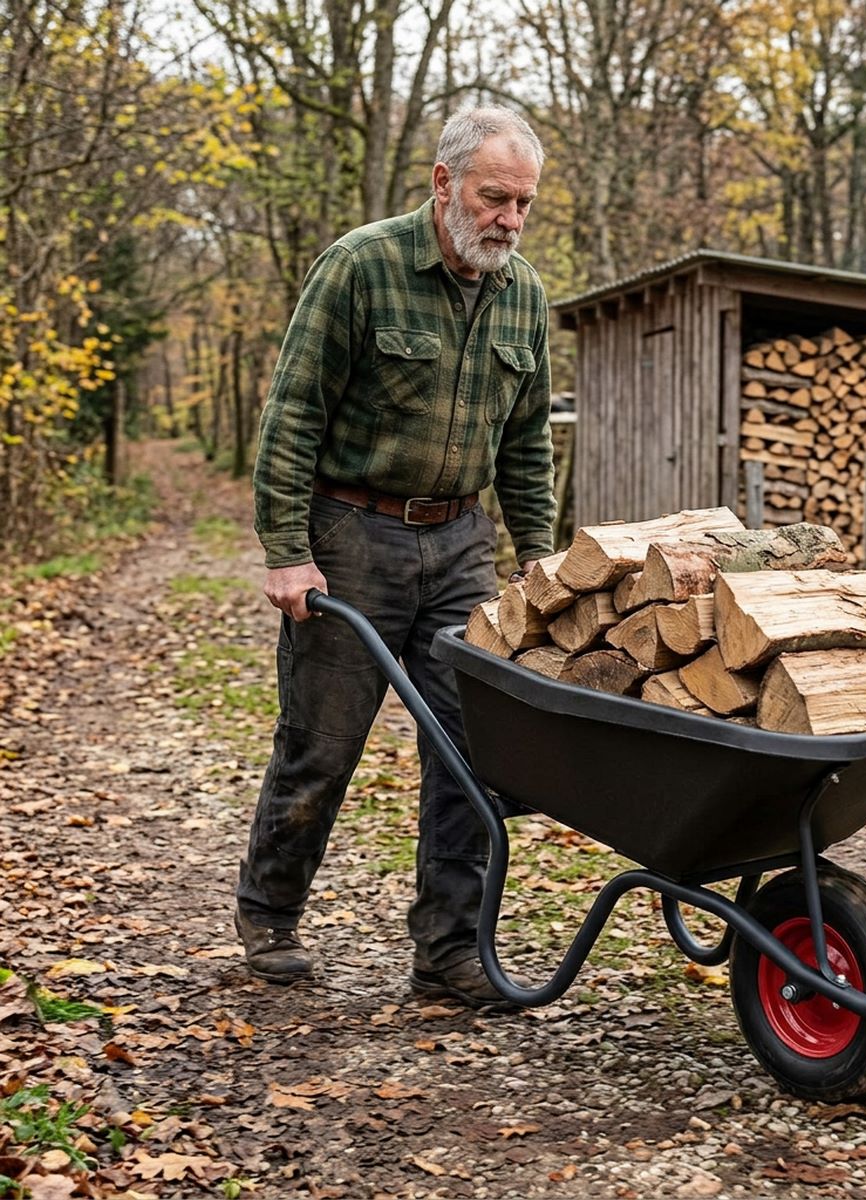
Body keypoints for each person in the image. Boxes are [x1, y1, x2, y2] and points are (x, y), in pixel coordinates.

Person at [235, 106, 556, 1008]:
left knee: (469, 749)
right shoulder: (360, 266)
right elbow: (293, 412)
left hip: (460, 542)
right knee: (322, 743)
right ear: (444, 182)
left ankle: (450, 950)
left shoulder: (523, 294)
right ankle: (269, 914)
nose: (509, 220)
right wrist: (289, 551)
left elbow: (527, 444)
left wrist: (537, 556)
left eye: (524, 204)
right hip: (352, 536)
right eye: (496, 198)